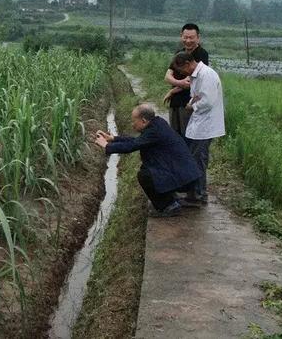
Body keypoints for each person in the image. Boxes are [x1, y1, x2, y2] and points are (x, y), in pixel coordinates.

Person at [95, 104, 201, 217]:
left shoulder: (154, 131)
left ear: (144, 121)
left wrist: (107, 146)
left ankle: (168, 206)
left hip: (184, 179)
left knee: (145, 175)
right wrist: (113, 139)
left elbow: (132, 146)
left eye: (134, 121)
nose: (132, 124)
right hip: (186, 175)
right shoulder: (157, 124)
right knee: (149, 169)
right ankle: (170, 198)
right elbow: (137, 141)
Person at [171, 51, 225, 204]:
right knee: (196, 158)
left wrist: (191, 106)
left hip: (206, 125)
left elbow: (207, 101)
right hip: (200, 124)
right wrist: (194, 101)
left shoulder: (206, 75)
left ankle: (198, 196)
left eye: (182, 70)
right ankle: (195, 193)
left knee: (198, 160)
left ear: (188, 64)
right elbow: (197, 95)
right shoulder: (198, 74)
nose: (182, 74)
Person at [163, 23, 209, 137]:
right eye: (185, 37)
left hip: (189, 102)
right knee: (174, 135)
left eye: (191, 37)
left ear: (198, 37)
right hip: (175, 102)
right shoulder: (179, 53)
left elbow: (192, 82)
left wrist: (172, 90)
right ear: (181, 36)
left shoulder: (202, 54)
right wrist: (179, 84)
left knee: (188, 135)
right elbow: (167, 76)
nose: (188, 40)